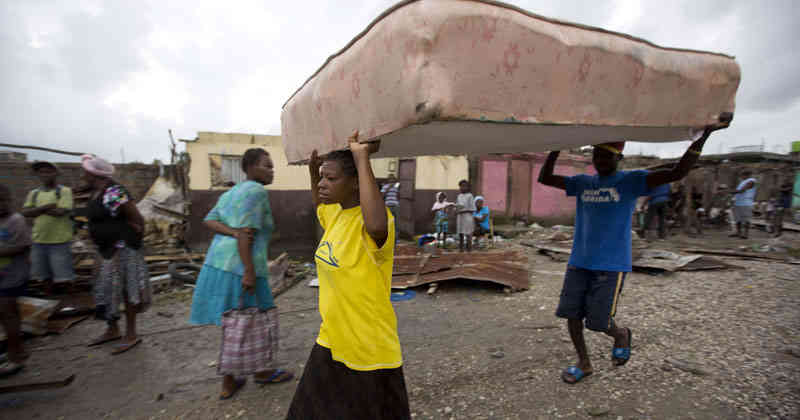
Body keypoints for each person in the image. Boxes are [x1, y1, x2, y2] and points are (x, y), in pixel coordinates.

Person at [538, 123, 726, 384]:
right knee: (571, 315)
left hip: (611, 264)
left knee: (598, 322)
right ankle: (584, 362)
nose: (601, 160)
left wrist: (703, 137)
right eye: (597, 155)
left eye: (607, 155)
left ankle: (621, 334)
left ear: (619, 158)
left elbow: (677, 171)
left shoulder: (631, 180)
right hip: (579, 261)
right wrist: (556, 147)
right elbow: (545, 178)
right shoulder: (582, 183)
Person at [287, 132, 410, 419]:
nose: (322, 184)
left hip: (369, 349)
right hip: (331, 339)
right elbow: (319, 202)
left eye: (331, 179)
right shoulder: (335, 215)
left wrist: (362, 157)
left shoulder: (377, 224)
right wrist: (311, 170)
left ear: (355, 182)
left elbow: (377, 226)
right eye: (322, 178)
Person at [190, 148, 293, 400]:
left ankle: (238, 376)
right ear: (250, 168)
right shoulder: (256, 192)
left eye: (272, 166)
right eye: (267, 166)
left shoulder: (232, 192)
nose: (272, 170)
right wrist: (248, 271)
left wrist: (232, 232)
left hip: (218, 264)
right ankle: (251, 374)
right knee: (253, 318)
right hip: (242, 267)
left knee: (236, 320)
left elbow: (209, 221)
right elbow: (247, 234)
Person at [82, 155, 151, 355]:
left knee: (128, 290)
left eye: (85, 171)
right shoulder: (96, 192)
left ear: (93, 173)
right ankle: (112, 329)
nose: (83, 174)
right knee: (106, 289)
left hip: (122, 249)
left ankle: (131, 334)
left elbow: (137, 219)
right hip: (106, 250)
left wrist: (131, 242)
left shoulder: (114, 191)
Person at [21, 161, 75, 294]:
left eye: (48, 171)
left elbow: (61, 212)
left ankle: (70, 304)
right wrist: (46, 207)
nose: (44, 174)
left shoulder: (64, 191)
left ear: (56, 173)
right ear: (37, 174)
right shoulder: (33, 193)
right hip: (39, 241)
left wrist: (36, 210)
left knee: (64, 278)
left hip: (60, 241)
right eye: (41, 172)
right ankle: (50, 303)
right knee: (44, 277)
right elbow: (25, 212)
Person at [0, 184, 32, 378]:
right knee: (5, 316)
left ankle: (16, 358)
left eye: (3, 200)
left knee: (9, 315)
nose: (1, 205)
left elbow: (21, 246)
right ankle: (16, 350)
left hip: (12, 276)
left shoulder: (15, 220)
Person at [730, 170, 757, 239]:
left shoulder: (751, 180)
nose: (741, 176)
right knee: (737, 219)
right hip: (738, 202)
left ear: (746, 175)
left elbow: (743, 190)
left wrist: (729, 191)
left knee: (746, 219)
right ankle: (738, 233)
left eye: (742, 175)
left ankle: (745, 234)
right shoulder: (742, 182)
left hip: (746, 202)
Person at [455, 180, 476, 252]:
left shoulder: (470, 196)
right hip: (460, 217)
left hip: (467, 217)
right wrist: (456, 209)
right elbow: (457, 205)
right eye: (461, 186)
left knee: (468, 234)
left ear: (467, 187)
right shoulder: (459, 196)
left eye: (464, 186)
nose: (462, 188)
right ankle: (461, 249)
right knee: (460, 233)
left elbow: (472, 209)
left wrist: (462, 210)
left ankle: (469, 249)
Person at [381, 174, 400, 241]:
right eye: (390, 179)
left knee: (396, 223)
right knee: (388, 222)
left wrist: (397, 189)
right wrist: (388, 188)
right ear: (388, 180)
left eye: (393, 179)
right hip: (388, 206)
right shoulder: (385, 187)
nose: (392, 181)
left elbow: (398, 196)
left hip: (395, 206)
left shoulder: (396, 187)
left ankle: (395, 238)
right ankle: (388, 237)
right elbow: (382, 196)